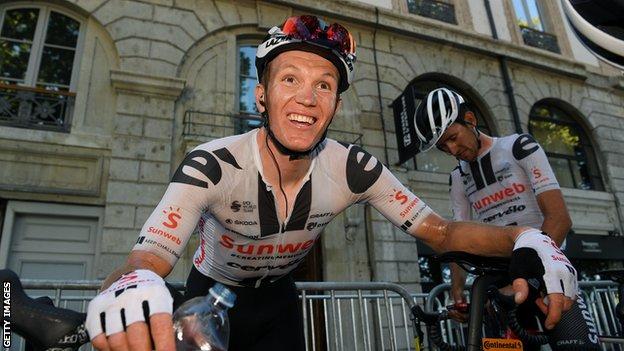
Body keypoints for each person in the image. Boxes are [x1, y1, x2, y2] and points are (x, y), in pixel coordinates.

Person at [85, 15, 578, 351]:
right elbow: (147, 257)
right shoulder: (213, 163)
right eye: (290, 79)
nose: (308, 97)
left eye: (324, 84)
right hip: (208, 294)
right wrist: (134, 282)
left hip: (280, 299)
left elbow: (443, 233)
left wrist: (527, 238)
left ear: (335, 106)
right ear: (261, 97)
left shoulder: (353, 167)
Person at [413, 87, 572, 329]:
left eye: (453, 138)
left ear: (470, 120)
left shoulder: (519, 147)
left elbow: (559, 219)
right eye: (443, 147)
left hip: (548, 268)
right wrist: (458, 294)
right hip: (501, 275)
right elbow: (459, 236)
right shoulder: (457, 177)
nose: (452, 151)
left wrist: (530, 276)